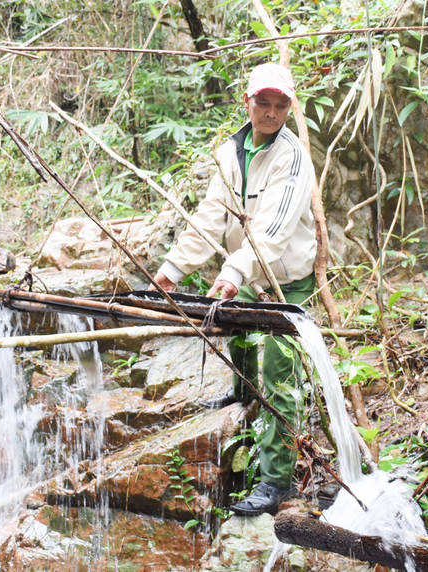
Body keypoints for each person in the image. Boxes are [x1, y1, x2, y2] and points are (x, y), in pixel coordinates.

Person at [152, 62, 318, 516]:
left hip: (286, 279)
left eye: (280, 105)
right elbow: (210, 216)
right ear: (246, 102)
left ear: (289, 108)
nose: (271, 113)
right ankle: (243, 396)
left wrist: (233, 271)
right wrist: (172, 270)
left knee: (281, 376)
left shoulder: (292, 157)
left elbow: (273, 231)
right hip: (246, 272)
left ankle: (276, 481)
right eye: (263, 102)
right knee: (237, 335)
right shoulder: (230, 152)